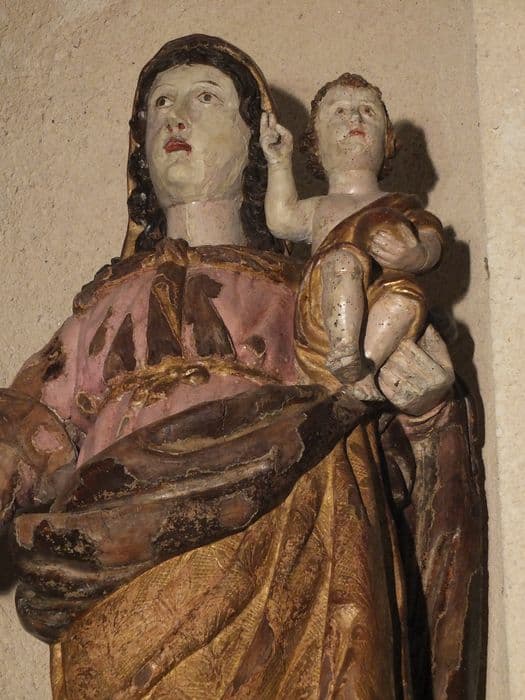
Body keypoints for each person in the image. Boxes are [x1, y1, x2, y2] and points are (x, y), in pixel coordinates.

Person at [0, 36, 484, 699]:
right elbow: (30, 429)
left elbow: (385, 436)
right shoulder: (101, 308)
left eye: (205, 98)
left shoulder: (306, 292)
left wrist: (425, 412)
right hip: (119, 563)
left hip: (294, 546)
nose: (176, 117)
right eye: (159, 104)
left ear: (259, 140)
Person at [260, 73, 443, 401]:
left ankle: (363, 369)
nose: (355, 119)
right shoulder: (321, 206)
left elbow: (432, 239)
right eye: (340, 112)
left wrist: (415, 256)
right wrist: (278, 162)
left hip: (380, 306)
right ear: (316, 144)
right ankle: (344, 353)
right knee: (344, 259)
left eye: (368, 112)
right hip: (326, 309)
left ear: (387, 141)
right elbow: (281, 219)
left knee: (409, 301)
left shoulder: (402, 204)